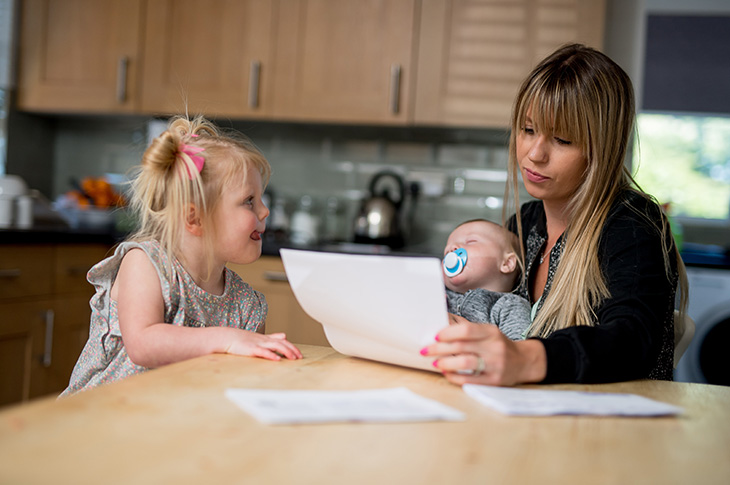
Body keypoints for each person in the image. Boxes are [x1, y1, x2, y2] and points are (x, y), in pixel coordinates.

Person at [421, 43, 688, 386]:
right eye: (528, 129)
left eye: (562, 139)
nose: (534, 154)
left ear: (601, 147)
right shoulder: (525, 223)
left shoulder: (633, 226)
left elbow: (632, 341)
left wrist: (524, 357)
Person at [60, 115, 302, 396]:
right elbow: (143, 343)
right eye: (249, 201)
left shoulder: (247, 305)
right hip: (97, 419)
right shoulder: (146, 264)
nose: (264, 211)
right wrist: (227, 339)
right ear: (195, 218)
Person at [442, 219, 531, 340]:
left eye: (470, 241)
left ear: (507, 263)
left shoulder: (508, 306)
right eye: (446, 251)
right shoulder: (439, 294)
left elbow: (517, 350)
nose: (451, 249)